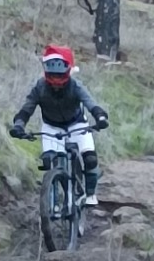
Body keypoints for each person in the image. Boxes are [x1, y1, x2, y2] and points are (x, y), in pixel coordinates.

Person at [10, 45, 109, 206]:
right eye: (53, 78)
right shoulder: (40, 87)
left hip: (77, 124)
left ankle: (90, 194)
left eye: (60, 79)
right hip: (51, 126)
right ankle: (56, 197)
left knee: (90, 158)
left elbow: (90, 102)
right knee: (50, 160)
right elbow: (27, 108)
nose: (56, 83)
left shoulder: (75, 86)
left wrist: (100, 117)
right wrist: (19, 125)